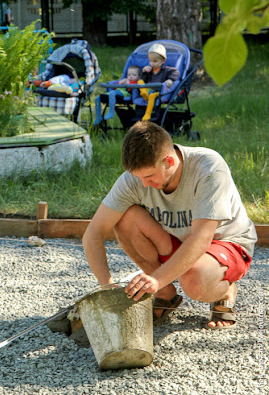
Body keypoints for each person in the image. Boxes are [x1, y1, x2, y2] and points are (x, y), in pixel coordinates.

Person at [82, 122, 257, 330]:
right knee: (125, 218)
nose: (144, 184)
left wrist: (156, 279)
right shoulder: (135, 179)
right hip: (181, 243)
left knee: (194, 281)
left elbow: (201, 239)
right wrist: (107, 286)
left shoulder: (209, 167)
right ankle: (165, 294)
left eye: (149, 177)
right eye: (138, 177)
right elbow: (93, 233)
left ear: (169, 161)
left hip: (225, 242)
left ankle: (226, 291)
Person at [141, 43, 180, 121]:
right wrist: (144, 72)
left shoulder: (166, 69)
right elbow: (144, 80)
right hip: (150, 89)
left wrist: (170, 80)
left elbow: (176, 72)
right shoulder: (150, 70)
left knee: (152, 96)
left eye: (155, 61)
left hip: (160, 92)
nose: (152, 63)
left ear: (163, 61)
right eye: (150, 61)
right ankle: (144, 93)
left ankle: (147, 114)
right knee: (140, 81)